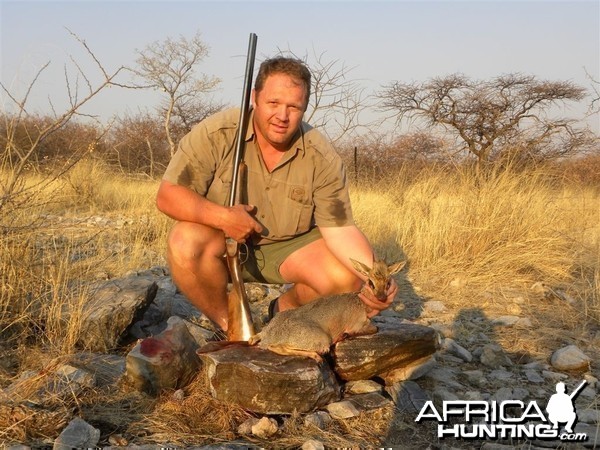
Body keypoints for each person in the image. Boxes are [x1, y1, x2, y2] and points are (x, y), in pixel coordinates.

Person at [156, 56, 398, 334]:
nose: (282, 116)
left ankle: (283, 314)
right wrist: (223, 218)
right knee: (184, 241)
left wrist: (375, 278)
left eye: (293, 107)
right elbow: (168, 195)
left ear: (305, 107)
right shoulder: (217, 132)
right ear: (254, 97)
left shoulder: (321, 154)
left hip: (290, 249)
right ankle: (230, 327)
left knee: (346, 279)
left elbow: (340, 229)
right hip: (224, 243)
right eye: (273, 103)